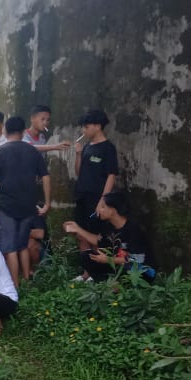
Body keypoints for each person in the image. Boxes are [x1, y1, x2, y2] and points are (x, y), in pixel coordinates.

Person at [0, 115, 50, 286]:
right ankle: (27, 278)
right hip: (29, 206)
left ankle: (14, 285)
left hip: (7, 206)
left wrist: (2, 189)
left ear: (6, 131)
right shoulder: (33, 151)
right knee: (22, 244)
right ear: (23, 132)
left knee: (10, 248)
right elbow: (45, 177)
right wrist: (48, 203)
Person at [63, 192, 155, 282]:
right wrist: (78, 229)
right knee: (87, 257)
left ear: (112, 210)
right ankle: (107, 281)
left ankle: (115, 283)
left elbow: (137, 261)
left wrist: (108, 260)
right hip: (118, 265)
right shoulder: (109, 226)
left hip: (140, 270)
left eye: (103, 207)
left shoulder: (133, 229)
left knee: (130, 269)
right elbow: (98, 241)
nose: (99, 210)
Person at [72, 109, 120, 279]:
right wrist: (78, 154)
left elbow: (111, 175)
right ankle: (86, 272)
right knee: (81, 233)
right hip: (82, 196)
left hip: (97, 199)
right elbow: (78, 172)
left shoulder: (108, 149)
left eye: (86, 127)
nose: (83, 131)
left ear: (98, 126)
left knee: (96, 237)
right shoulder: (86, 147)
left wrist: (103, 200)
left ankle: (97, 273)